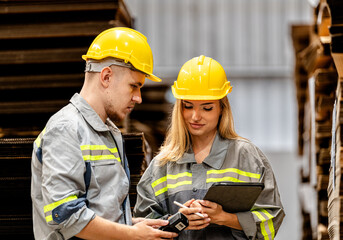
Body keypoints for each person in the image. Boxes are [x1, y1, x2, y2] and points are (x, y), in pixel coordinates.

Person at [30, 27, 177, 240]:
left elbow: (99, 210)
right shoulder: (65, 129)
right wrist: (132, 234)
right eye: (134, 86)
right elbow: (66, 215)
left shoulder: (109, 133)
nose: (139, 98)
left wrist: (133, 223)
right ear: (106, 76)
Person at [134, 55, 285, 239]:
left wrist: (224, 218)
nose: (195, 116)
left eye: (207, 108)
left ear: (222, 108)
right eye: (188, 106)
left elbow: (272, 219)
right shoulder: (162, 166)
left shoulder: (246, 157)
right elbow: (142, 228)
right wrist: (179, 221)